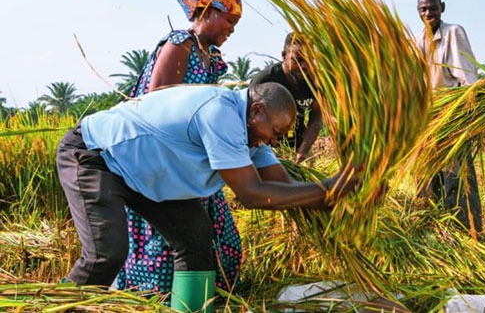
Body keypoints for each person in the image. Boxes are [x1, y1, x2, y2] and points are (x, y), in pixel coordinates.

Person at [56, 83, 359, 311]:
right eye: (274, 132)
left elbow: (284, 186)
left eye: (278, 137)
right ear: (257, 110)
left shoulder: (253, 134)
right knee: (105, 253)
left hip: (145, 173)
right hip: (97, 155)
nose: (273, 141)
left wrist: (340, 197)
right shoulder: (221, 112)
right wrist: (329, 189)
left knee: (195, 237)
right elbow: (253, 194)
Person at [115, 0, 243, 293]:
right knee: (177, 239)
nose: (232, 29)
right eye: (230, 19)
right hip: (163, 159)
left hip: (190, 161)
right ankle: (160, 296)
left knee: (219, 236)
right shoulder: (180, 44)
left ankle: (210, 292)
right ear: (209, 11)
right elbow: (157, 106)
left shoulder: (211, 58)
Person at [415, 0, 483, 234]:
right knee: (428, 182)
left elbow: (467, 78)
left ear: (442, 7)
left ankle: (467, 237)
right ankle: (435, 238)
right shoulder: (418, 40)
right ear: (418, 12)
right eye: (423, 9)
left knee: (457, 181)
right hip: (428, 120)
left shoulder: (453, 32)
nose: (428, 13)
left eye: (432, 8)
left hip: (452, 115)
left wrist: (463, 116)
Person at [251, 33, 323, 164]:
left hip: (297, 147)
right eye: (298, 60)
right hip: (265, 148)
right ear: (284, 56)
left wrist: (303, 150)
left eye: (309, 60)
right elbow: (250, 120)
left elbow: (316, 117)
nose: (304, 66)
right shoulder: (266, 80)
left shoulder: (315, 81)